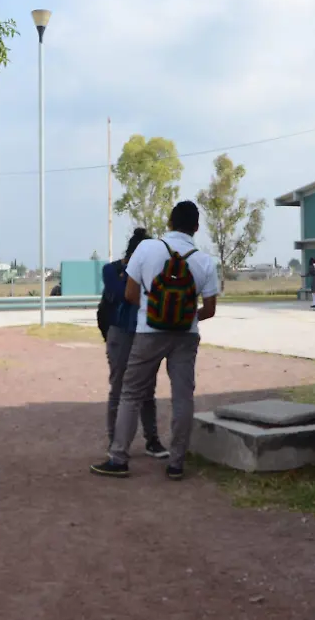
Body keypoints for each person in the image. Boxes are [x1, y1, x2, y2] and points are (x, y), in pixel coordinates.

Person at [91, 201, 220, 481]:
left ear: (170, 222)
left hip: (148, 333)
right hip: (186, 336)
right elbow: (209, 310)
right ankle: (176, 463)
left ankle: (119, 458)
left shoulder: (147, 249)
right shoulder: (205, 261)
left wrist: (153, 313)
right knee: (182, 396)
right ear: (197, 228)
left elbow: (129, 294)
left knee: (131, 392)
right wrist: (184, 317)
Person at [100, 228, 168, 459]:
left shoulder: (150, 271)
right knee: (119, 390)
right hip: (120, 335)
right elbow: (122, 294)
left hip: (144, 333)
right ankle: (115, 442)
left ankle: (152, 440)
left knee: (148, 390)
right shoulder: (112, 270)